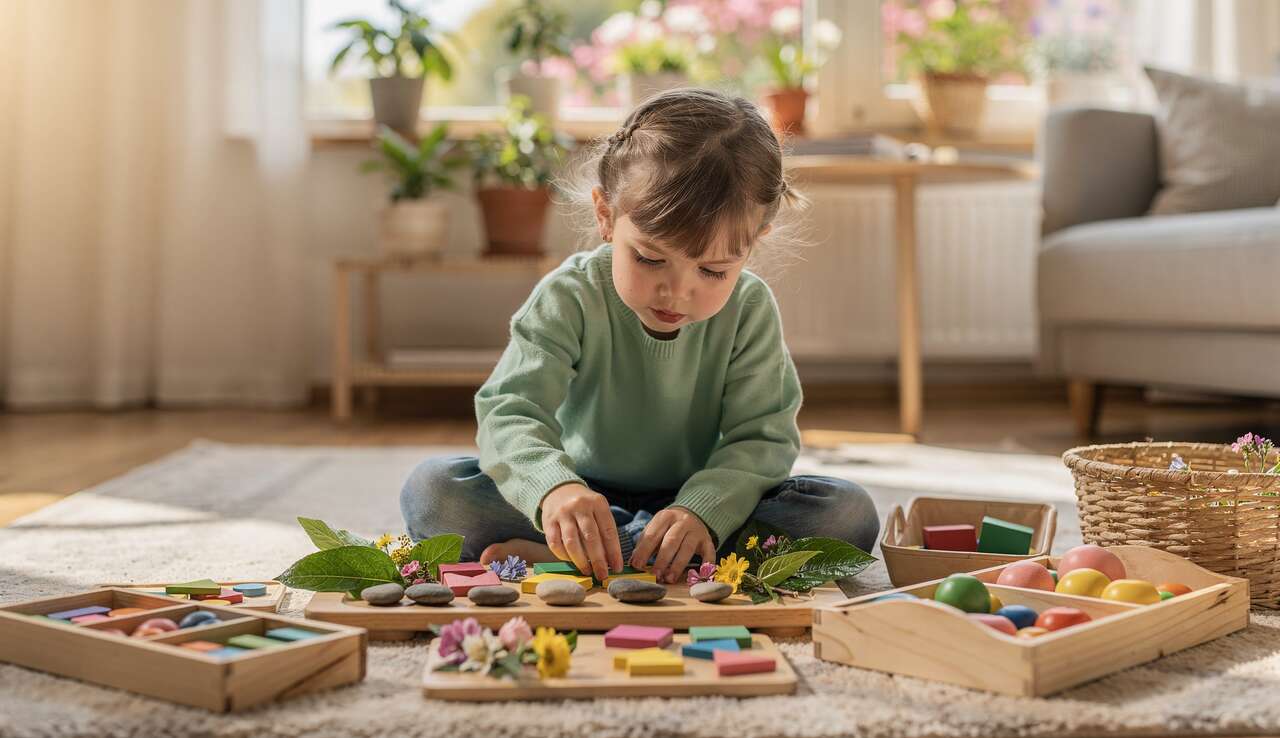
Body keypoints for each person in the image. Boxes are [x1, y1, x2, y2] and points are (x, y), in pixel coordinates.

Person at [401, 88, 878, 584]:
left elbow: (762, 439)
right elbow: (509, 411)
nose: (676, 291)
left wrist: (702, 510)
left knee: (847, 515)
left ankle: (609, 553)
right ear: (605, 216)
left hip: (700, 502)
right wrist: (555, 491)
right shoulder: (570, 295)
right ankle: (648, 554)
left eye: (712, 270)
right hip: (579, 496)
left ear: (755, 243)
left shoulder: (750, 308)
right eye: (650, 259)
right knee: (434, 491)